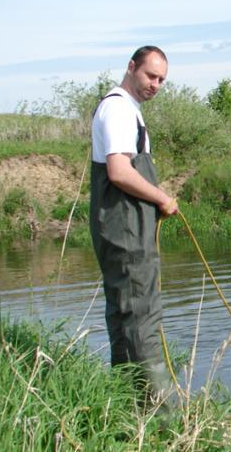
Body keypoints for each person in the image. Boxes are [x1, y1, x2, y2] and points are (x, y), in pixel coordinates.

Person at [89, 45, 179, 409]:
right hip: (124, 229)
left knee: (129, 311)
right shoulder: (118, 108)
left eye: (161, 80)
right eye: (150, 75)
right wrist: (162, 198)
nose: (155, 84)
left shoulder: (129, 110)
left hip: (129, 227)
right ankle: (159, 413)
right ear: (131, 67)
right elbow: (119, 171)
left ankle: (128, 404)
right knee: (139, 313)